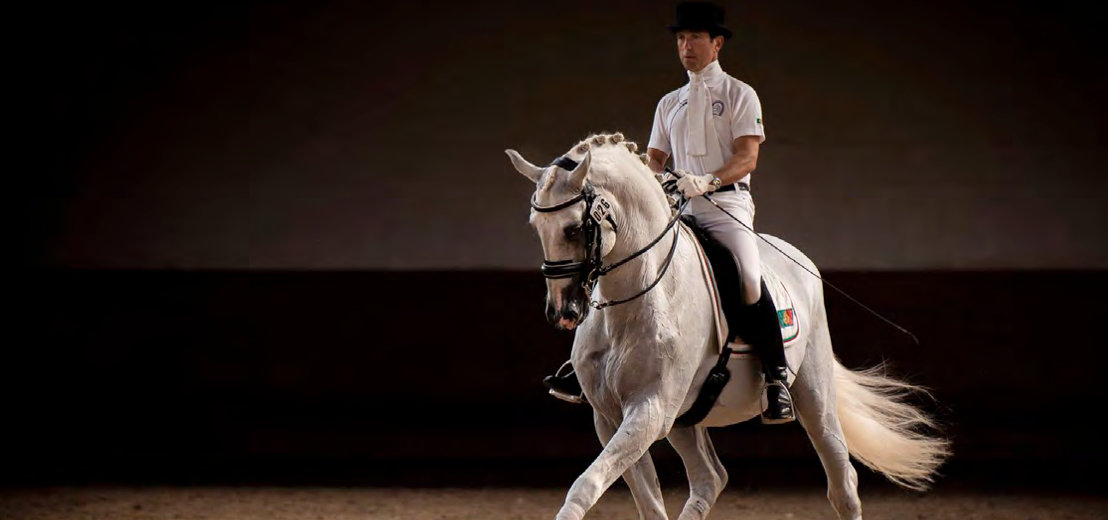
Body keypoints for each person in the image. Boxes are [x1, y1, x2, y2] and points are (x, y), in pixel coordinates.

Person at [544, 1, 794, 424]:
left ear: (716, 43)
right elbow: (655, 159)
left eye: (695, 37)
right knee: (617, 261)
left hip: (726, 206)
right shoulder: (669, 103)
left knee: (749, 279)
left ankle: (776, 377)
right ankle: (584, 365)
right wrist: (656, 182)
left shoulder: (739, 94)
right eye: (680, 39)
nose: (686, 46)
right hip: (677, 207)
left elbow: (747, 157)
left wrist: (709, 180)